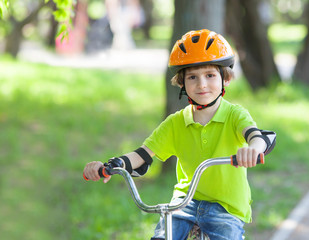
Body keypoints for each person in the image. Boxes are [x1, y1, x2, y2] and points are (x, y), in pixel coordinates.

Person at [83, 29, 276, 240]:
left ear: (225, 78)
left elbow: (256, 137)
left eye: (210, 75)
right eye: (192, 77)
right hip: (184, 203)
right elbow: (142, 155)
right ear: (182, 83)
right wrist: (111, 165)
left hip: (226, 208)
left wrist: (252, 150)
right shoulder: (176, 123)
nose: (202, 84)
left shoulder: (234, 115)